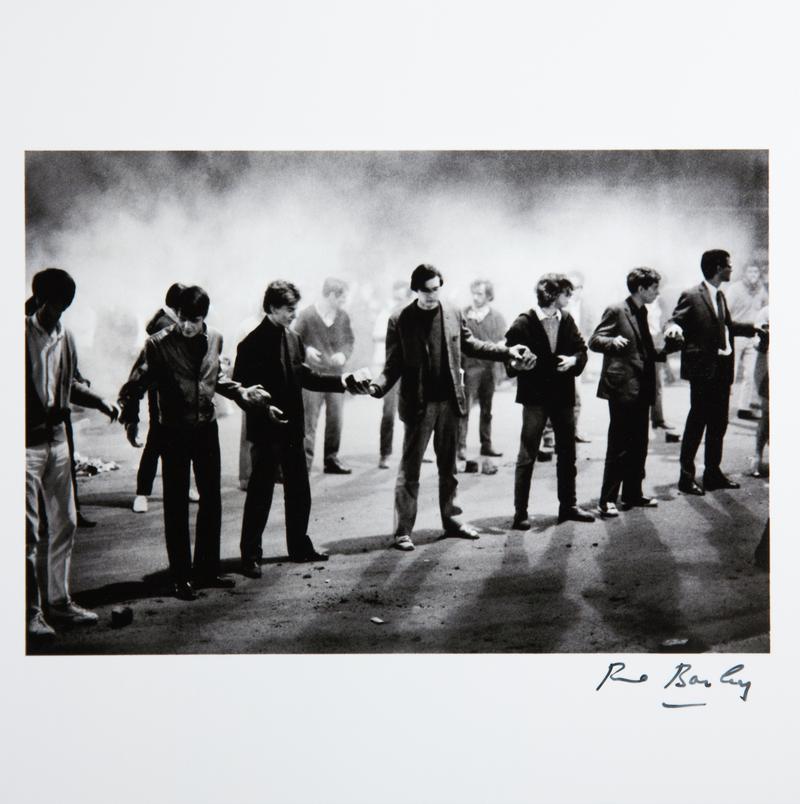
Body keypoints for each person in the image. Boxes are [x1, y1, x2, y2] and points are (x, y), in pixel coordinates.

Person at [368, 264, 535, 551]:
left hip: (450, 402)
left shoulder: (453, 312)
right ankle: (403, 530)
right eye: (426, 290)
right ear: (416, 290)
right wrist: (376, 386)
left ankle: (452, 520)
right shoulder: (400, 319)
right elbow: (393, 364)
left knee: (449, 467)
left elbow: (471, 345)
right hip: (420, 407)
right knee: (410, 471)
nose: (432, 295)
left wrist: (506, 350)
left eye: (436, 289)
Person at [119, 285, 270, 600]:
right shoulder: (157, 344)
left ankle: (207, 569)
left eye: (195, 319)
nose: (187, 326)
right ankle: (180, 577)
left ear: (204, 318)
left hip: (205, 428)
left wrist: (240, 392)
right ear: (177, 314)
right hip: (173, 431)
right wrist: (131, 417)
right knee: (175, 505)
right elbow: (136, 383)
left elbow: (215, 378)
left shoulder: (215, 337)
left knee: (211, 500)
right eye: (184, 318)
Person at [234, 281, 370, 576]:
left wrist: (343, 380)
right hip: (267, 432)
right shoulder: (251, 343)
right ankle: (250, 556)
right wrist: (262, 409)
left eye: (295, 308)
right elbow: (239, 390)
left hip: (293, 429)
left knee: (299, 491)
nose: (294, 314)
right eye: (288, 309)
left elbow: (307, 377)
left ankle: (299, 547)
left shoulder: (293, 338)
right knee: (260, 494)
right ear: (271, 308)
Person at [26, 268, 120, 638]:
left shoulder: (66, 336)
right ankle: (30, 613)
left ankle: (59, 602)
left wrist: (99, 401)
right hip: (25, 446)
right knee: (27, 532)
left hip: (57, 442)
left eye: (65, 308)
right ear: (38, 301)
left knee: (65, 522)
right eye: (54, 307)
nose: (58, 315)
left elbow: (72, 384)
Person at [664, 250, 762, 495]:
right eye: (729, 265)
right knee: (697, 423)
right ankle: (686, 478)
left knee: (718, 424)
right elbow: (674, 320)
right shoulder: (691, 294)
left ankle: (712, 473)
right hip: (702, 371)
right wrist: (674, 328)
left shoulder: (720, 295)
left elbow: (727, 327)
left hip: (721, 369)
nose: (732, 269)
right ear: (719, 267)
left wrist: (756, 328)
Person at [506, 273, 595, 529]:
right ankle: (520, 513)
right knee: (527, 454)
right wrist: (517, 364)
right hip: (534, 398)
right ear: (554, 295)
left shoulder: (566, 319)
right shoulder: (523, 322)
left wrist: (574, 361)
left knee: (567, 452)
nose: (571, 297)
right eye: (567, 293)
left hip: (562, 396)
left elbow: (582, 349)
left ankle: (568, 506)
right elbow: (508, 359)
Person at [589, 268, 666, 517]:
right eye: (654, 287)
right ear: (641, 288)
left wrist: (672, 345)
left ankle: (633, 493)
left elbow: (646, 351)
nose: (657, 292)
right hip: (623, 387)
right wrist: (612, 342)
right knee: (619, 445)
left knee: (639, 443)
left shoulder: (643, 311)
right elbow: (594, 340)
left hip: (641, 386)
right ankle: (607, 499)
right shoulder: (616, 309)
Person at [131, 283, 187, 513]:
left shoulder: (169, 322)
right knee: (158, 441)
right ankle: (142, 493)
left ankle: (144, 492)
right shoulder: (166, 327)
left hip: (173, 393)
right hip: (165, 394)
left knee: (166, 442)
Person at [294, 277, 355, 473]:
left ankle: (331, 459)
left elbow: (349, 341)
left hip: (336, 376)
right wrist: (306, 351)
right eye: (341, 298)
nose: (344, 303)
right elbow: (292, 340)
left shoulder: (343, 316)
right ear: (330, 295)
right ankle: (304, 463)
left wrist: (343, 355)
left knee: (336, 419)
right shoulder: (307, 315)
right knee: (309, 421)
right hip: (313, 377)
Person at [456, 279, 507, 473]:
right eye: (474, 293)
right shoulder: (463, 314)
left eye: (480, 294)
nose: (476, 297)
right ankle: (460, 450)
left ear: (488, 296)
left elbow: (504, 339)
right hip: (470, 368)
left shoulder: (496, 317)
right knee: (465, 410)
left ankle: (486, 444)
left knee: (487, 409)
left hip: (489, 368)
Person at [372, 279, 413, 469]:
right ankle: (385, 453)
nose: (402, 298)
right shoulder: (386, 313)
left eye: (405, 295)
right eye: (399, 294)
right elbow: (378, 337)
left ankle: (413, 451)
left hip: (411, 369)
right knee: (389, 412)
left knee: (414, 412)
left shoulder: (414, 312)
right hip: (391, 366)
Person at [726, 264, 768, 420]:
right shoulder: (735, 289)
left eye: (756, 271)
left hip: (754, 335)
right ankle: (723, 407)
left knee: (750, 374)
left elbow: (767, 307)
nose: (753, 274)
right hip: (736, 335)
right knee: (730, 373)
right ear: (744, 273)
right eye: (750, 270)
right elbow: (726, 313)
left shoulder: (761, 289)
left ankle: (744, 408)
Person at [565, 270, 593, 444]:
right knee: (556, 398)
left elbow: (590, 330)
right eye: (572, 287)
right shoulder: (560, 306)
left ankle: (573, 431)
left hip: (577, 358)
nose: (575, 291)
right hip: (561, 357)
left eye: (578, 287)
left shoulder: (586, 308)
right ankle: (549, 437)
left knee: (577, 397)